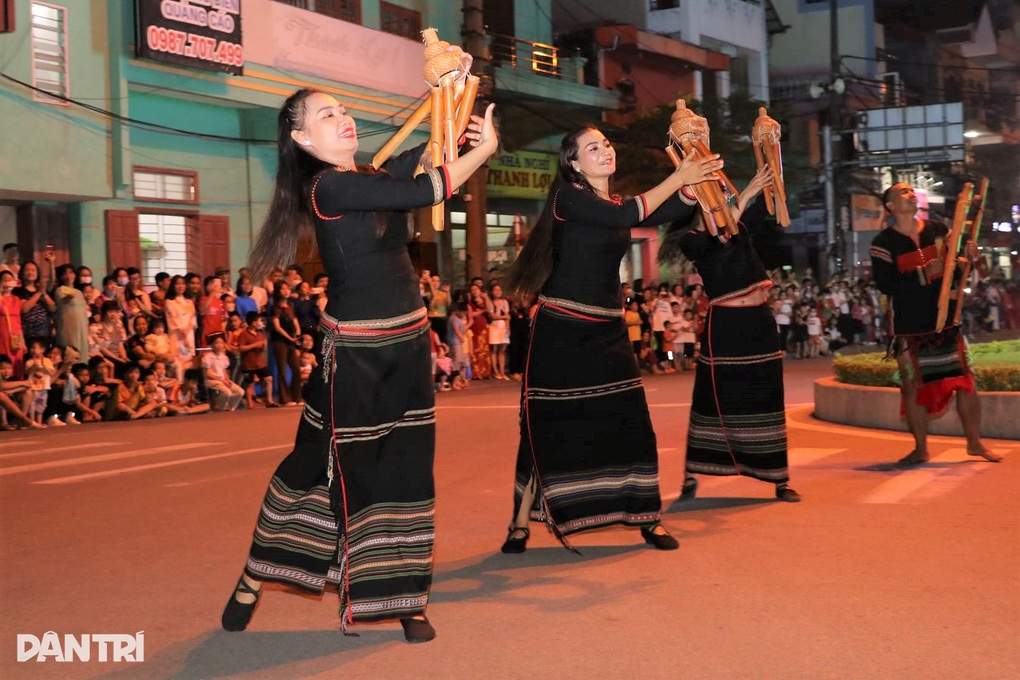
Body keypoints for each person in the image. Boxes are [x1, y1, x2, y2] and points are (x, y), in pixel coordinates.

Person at [220, 87, 499, 642]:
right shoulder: (329, 186)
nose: (344, 119)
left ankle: (404, 596)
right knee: (323, 466)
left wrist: (454, 96)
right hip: (355, 353)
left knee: (407, 466)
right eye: (327, 115)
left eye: (345, 110)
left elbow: (418, 158)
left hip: (410, 342)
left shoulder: (367, 175)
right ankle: (256, 573)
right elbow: (428, 187)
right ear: (302, 138)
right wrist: (482, 151)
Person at [499, 125, 723, 554]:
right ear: (574, 163)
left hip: (608, 330)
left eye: (606, 144)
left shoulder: (617, 204)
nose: (605, 150)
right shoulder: (570, 198)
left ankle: (648, 518)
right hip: (561, 328)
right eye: (592, 147)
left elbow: (657, 210)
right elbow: (629, 215)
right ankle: (519, 522)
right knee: (544, 428)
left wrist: (699, 179)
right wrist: (680, 177)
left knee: (631, 422)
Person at [661, 166, 801, 503]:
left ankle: (778, 478)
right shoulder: (691, 241)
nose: (724, 198)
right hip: (725, 326)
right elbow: (717, 236)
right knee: (713, 399)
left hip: (760, 322)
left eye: (725, 194)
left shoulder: (735, 228)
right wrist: (749, 192)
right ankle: (692, 474)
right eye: (718, 194)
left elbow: (728, 229)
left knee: (767, 396)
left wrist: (752, 189)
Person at [869, 182, 1001, 466]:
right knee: (912, 384)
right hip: (908, 325)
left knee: (965, 382)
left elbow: (959, 265)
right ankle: (920, 448)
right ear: (890, 205)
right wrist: (924, 272)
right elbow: (884, 284)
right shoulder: (883, 242)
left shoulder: (939, 229)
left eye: (911, 191)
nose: (910, 194)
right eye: (902, 192)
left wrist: (971, 257)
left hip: (945, 321)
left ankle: (975, 444)